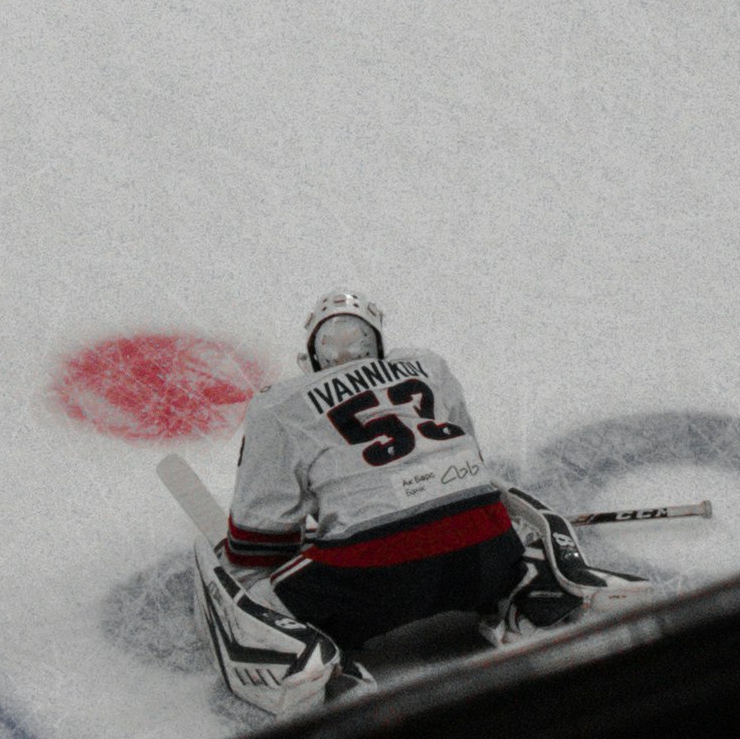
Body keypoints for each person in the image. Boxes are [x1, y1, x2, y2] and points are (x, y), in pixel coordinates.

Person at [195, 292, 625, 717]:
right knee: (490, 521)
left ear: (310, 358)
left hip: (373, 582)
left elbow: (259, 542)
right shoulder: (427, 367)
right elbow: (471, 465)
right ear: (378, 343)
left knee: (253, 589)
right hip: (482, 554)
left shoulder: (281, 403)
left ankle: (319, 666)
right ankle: (529, 590)